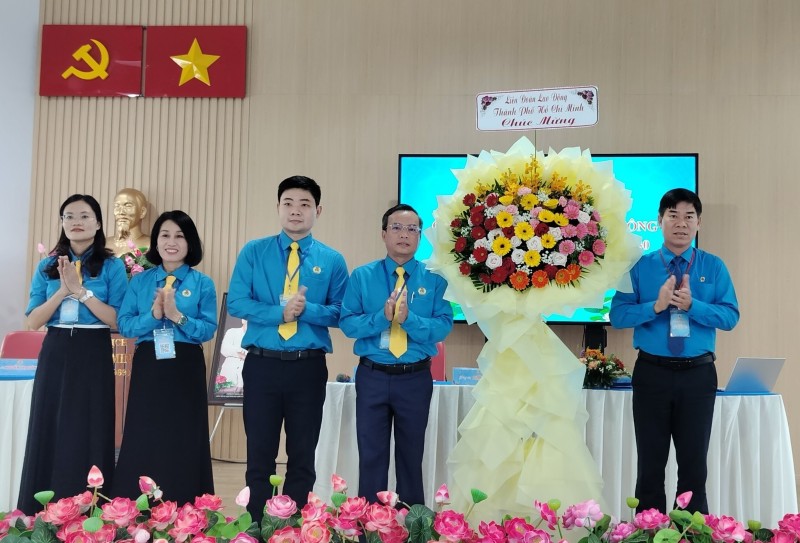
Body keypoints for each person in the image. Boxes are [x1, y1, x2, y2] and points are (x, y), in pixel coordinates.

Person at [609, 188, 739, 514]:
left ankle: (691, 534)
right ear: (659, 221)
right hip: (652, 373)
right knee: (650, 464)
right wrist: (655, 306)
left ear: (698, 222)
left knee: (694, 466)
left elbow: (730, 316)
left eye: (688, 217)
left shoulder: (714, 266)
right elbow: (619, 315)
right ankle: (647, 531)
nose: (681, 223)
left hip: (698, 374)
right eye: (673, 216)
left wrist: (694, 306)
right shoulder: (641, 267)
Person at [227, 175, 348, 522]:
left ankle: (294, 525)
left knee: (302, 454)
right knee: (259, 453)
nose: (296, 211)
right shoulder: (254, 252)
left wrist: (305, 309)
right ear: (278, 208)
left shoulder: (332, 259)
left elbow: (342, 314)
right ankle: (257, 524)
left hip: (307, 368)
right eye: (289, 204)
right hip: (262, 365)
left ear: (318, 210)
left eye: (305, 204)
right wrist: (278, 313)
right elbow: (237, 302)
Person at [17, 194, 127, 513]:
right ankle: (41, 507)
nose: (76, 221)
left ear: (98, 223)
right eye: (68, 216)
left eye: (84, 215)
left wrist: (82, 292)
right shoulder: (47, 266)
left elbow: (118, 320)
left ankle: (91, 506)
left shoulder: (112, 266)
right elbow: (33, 320)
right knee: (49, 421)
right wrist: (63, 292)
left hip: (92, 349)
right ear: (62, 223)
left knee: (91, 424)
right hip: (55, 347)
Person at [340, 204, 453, 505]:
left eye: (412, 229)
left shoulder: (435, 279)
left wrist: (408, 320)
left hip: (414, 378)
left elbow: (442, 327)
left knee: (410, 458)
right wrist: (382, 316)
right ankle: (370, 531)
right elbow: (348, 323)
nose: (404, 235)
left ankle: (411, 528)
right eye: (397, 228)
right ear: (383, 234)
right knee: (371, 458)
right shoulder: (362, 277)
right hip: (372, 375)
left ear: (419, 237)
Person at [113, 210, 218, 505]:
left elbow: (208, 329)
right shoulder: (141, 282)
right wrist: (154, 315)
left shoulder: (202, 283)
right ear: (156, 242)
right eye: (165, 235)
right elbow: (126, 325)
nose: (172, 242)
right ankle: (138, 506)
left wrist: (177, 316)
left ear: (190, 243)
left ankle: (185, 505)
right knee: (144, 432)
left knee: (184, 435)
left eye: (180, 236)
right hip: (150, 364)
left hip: (186, 365)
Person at [106, 188, 150, 256]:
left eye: (128, 206)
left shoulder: (151, 245)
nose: (121, 212)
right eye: (117, 206)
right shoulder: (104, 244)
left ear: (142, 212)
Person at [218, 319, 247, 393]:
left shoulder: (257, 337)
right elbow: (224, 349)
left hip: (246, 380)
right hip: (229, 377)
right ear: (243, 320)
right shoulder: (232, 332)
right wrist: (240, 353)